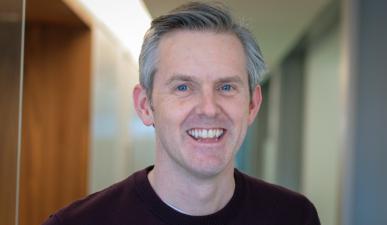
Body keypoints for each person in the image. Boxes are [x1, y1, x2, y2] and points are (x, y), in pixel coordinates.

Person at [43, 2, 320, 225]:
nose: (209, 108)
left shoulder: (294, 217)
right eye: (184, 87)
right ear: (144, 105)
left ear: (252, 105)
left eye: (226, 87)